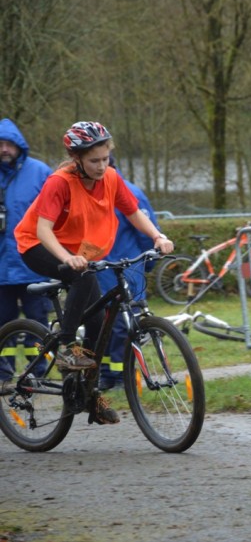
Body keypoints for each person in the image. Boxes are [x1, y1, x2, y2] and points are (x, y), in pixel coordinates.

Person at [14, 121, 174, 423]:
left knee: (99, 322)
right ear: (77, 159)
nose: (102, 166)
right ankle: (65, 346)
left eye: (105, 159)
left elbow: (133, 211)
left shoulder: (111, 178)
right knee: (83, 276)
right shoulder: (59, 182)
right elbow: (43, 230)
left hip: (80, 252)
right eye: (94, 161)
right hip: (38, 245)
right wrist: (66, 258)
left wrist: (158, 236)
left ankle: (87, 393)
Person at [96, 157, 160, 391]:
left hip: (126, 268)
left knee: (124, 325)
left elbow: (145, 232)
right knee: (103, 326)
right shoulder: (90, 193)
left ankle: (121, 375)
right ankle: (106, 375)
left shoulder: (129, 192)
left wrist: (148, 263)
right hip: (100, 268)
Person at [0, 118, 53, 383]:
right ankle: (4, 373)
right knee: (3, 326)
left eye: (9, 144)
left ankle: (38, 372)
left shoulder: (40, 173)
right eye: (0, 145)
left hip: (34, 266)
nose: (4, 149)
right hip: (1, 271)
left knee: (38, 323)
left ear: (19, 145)